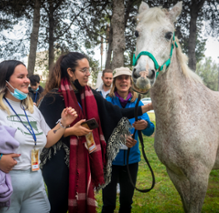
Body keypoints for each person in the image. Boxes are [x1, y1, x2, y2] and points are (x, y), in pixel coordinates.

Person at [38, 52, 153, 213]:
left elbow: (115, 112)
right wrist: (72, 130)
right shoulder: (52, 98)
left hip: (83, 159)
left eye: (89, 69)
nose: (88, 74)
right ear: (71, 72)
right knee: (58, 206)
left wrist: (146, 108)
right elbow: (42, 136)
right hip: (58, 163)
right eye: (83, 70)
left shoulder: (90, 94)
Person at [0, 60, 78, 213]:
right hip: (4, 183)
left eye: (27, 76)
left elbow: (47, 140)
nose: (27, 80)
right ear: (5, 80)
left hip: (35, 181)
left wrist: (63, 123)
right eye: (21, 76)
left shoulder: (32, 109)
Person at [102, 67, 155, 213]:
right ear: (114, 82)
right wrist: (119, 138)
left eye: (126, 78)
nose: (123, 81)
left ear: (131, 81)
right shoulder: (107, 102)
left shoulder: (138, 103)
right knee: (108, 203)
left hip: (130, 161)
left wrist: (145, 125)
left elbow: (150, 130)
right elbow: (102, 129)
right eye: (120, 78)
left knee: (126, 203)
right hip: (110, 161)